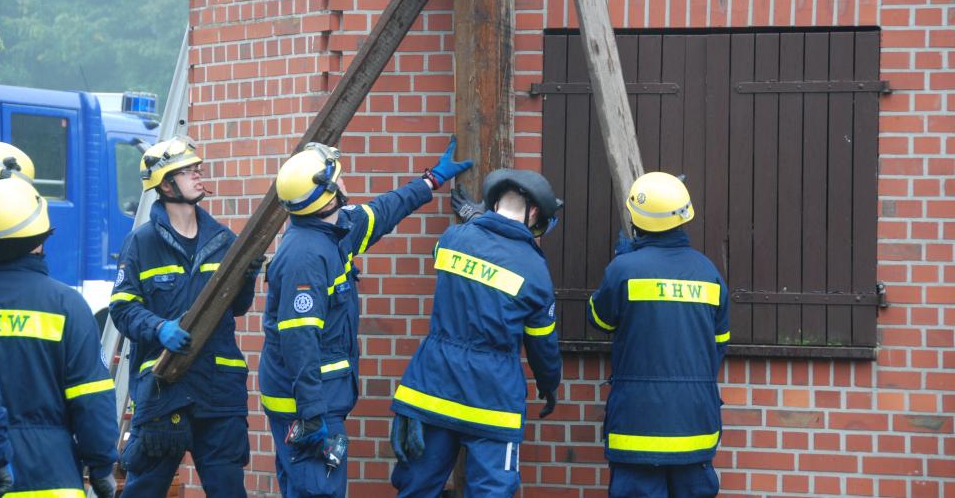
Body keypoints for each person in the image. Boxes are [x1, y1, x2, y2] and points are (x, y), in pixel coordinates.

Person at [260, 138, 472, 498]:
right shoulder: (307, 258)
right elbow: (299, 341)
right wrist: (311, 413)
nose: (344, 183)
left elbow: (381, 212)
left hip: (317, 401)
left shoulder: (333, 230)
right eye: (337, 180)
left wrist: (431, 181)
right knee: (319, 493)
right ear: (324, 197)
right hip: (309, 407)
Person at [389, 168, 564, 497]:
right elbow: (543, 345)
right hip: (492, 401)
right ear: (535, 213)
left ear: (494, 203)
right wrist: (549, 384)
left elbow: (442, 256)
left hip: (431, 391)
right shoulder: (534, 269)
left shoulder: (455, 238)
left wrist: (475, 220)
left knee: (417, 489)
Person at [110, 136, 263, 498]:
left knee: (228, 490)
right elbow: (121, 308)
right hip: (165, 391)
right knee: (144, 490)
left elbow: (236, 309)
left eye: (197, 168)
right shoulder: (141, 245)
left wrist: (247, 278)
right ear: (165, 184)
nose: (198, 175)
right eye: (187, 171)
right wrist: (159, 328)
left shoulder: (225, 240)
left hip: (218, 390)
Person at [586, 172, 730, 498]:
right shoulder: (709, 273)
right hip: (695, 423)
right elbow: (718, 346)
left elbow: (599, 319)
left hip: (637, 425)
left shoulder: (624, 269)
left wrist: (623, 260)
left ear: (636, 220)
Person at [0, 156, 118, 497]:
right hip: (52, 475)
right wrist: (101, 465)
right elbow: (91, 397)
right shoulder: (67, 306)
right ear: (40, 239)